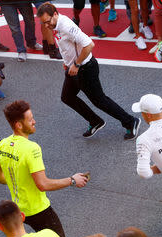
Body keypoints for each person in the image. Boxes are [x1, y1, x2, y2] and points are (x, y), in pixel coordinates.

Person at [38, 3, 141, 140]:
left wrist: (76, 64)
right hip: (73, 69)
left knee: (100, 100)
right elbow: (68, 46)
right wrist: (67, 61)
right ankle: (95, 121)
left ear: (55, 14)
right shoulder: (56, 24)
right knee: (67, 97)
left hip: (85, 69)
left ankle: (130, 121)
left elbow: (89, 44)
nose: (46, 26)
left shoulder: (66, 26)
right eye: (43, 23)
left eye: (47, 21)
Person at [0, 100, 88, 237]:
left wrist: (20, 181)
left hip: (19, 210)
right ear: (18, 125)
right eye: (30, 120)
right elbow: (42, 184)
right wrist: (72, 180)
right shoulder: (32, 148)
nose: (34, 122)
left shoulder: (4, 143)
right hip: (39, 211)